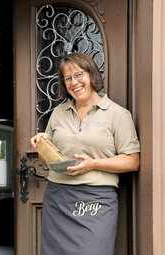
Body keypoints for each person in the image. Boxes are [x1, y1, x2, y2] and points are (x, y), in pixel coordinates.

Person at [30, 52, 140, 255]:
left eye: (79, 74)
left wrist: (92, 164)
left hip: (96, 200)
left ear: (91, 75)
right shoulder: (59, 112)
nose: (74, 82)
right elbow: (48, 162)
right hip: (58, 197)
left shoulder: (118, 114)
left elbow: (132, 161)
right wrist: (42, 147)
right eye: (68, 78)